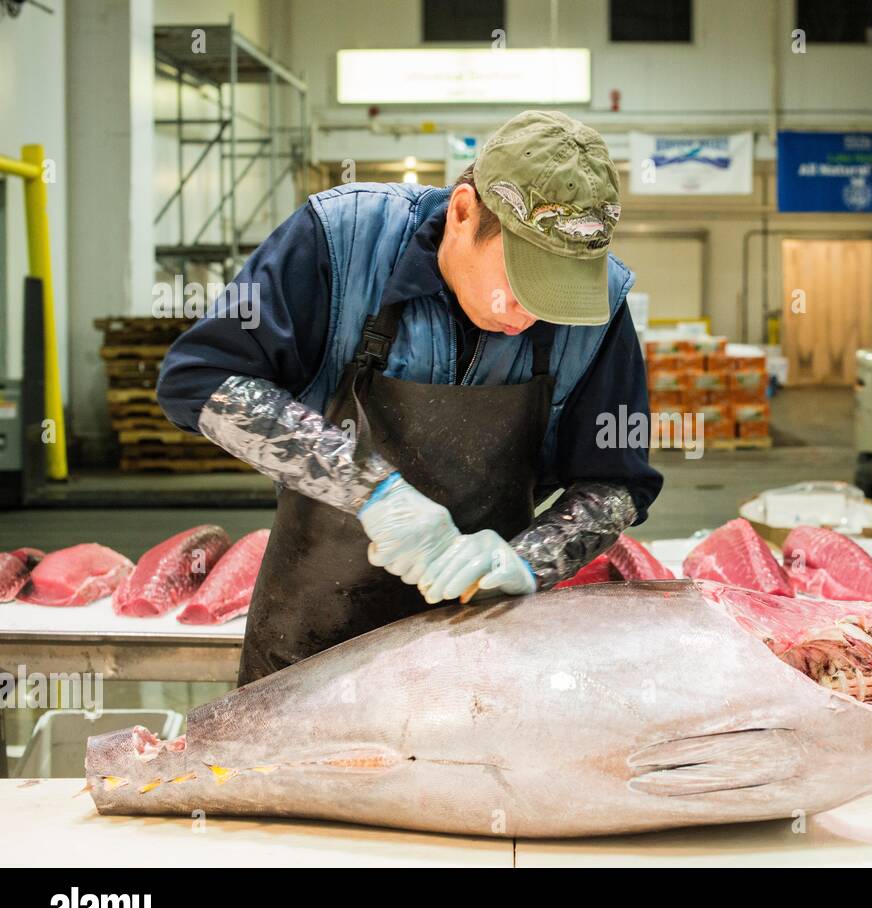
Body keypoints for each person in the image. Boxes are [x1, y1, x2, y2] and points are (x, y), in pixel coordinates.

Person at [157, 110, 662, 684]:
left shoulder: (602, 308)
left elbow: (619, 481)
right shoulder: (341, 239)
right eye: (520, 284)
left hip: (484, 644)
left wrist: (528, 560)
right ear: (464, 212)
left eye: (557, 294)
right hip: (309, 646)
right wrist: (373, 492)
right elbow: (198, 381)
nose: (531, 314)